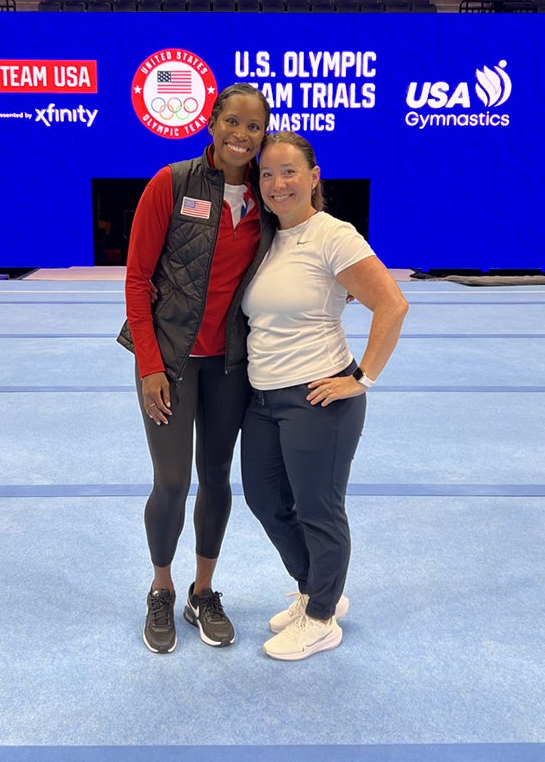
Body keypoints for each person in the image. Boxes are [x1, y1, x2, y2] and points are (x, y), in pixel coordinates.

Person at [117, 84, 276, 654]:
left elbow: (306, 247)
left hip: (231, 364)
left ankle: (201, 590)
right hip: (171, 362)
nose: (241, 135)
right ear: (211, 122)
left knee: (216, 479)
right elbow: (137, 281)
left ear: (264, 134)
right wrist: (149, 367)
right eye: (232, 122)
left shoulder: (267, 197)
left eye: (253, 127)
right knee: (172, 481)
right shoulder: (173, 182)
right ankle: (160, 588)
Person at [240, 131, 409, 661]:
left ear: (314, 176)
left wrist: (361, 377)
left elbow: (392, 304)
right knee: (265, 501)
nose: (276, 184)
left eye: (289, 171)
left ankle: (320, 619)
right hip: (263, 398)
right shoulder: (267, 238)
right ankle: (318, 589)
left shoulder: (333, 235)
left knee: (318, 509)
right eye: (266, 174)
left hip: (318, 398)